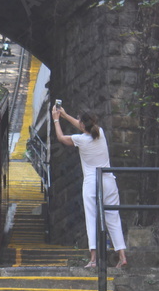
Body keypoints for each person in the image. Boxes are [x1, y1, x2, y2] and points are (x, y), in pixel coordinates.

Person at [52, 106, 128, 269]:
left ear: (82, 124)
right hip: (108, 180)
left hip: (92, 182)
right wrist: (66, 115)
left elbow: (61, 138)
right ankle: (122, 256)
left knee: (92, 218)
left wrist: (56, 119)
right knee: (113, 218)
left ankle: (93, 258)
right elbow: (83, 126)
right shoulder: (99, 133)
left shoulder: (80, 139)